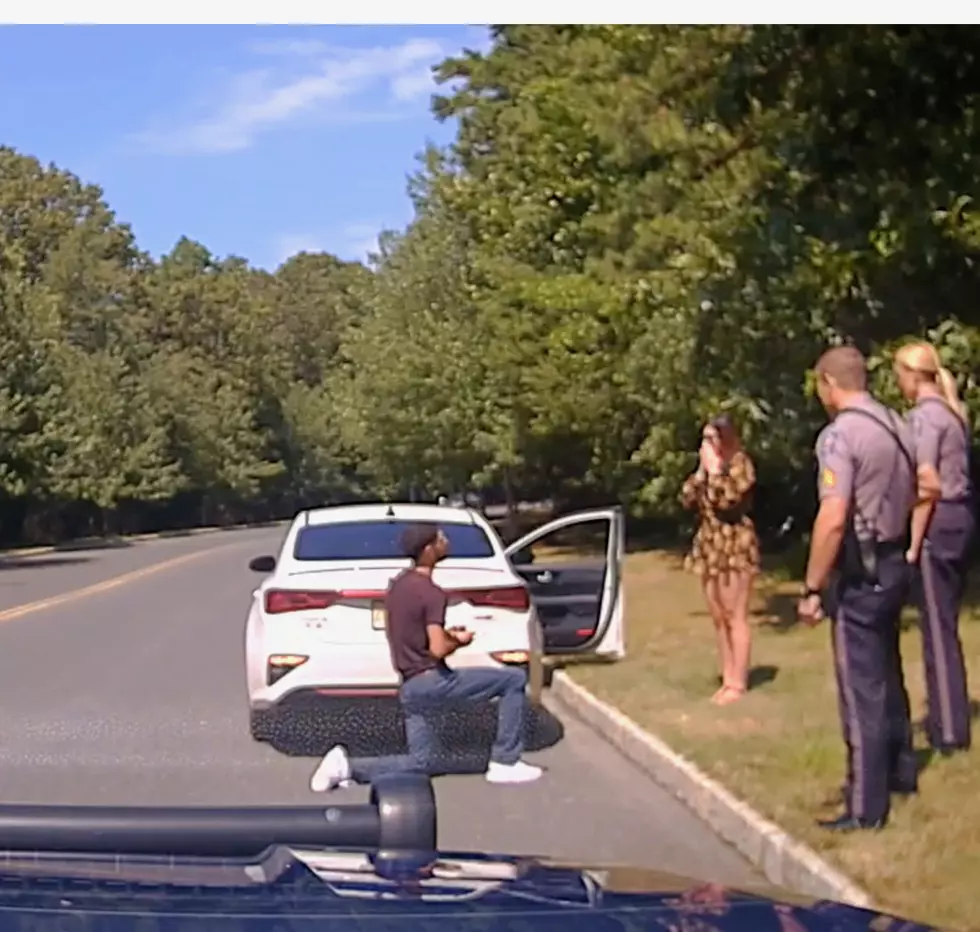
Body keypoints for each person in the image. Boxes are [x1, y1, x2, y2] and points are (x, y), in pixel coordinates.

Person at [309, 523, 543, 791]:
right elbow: (437, 650)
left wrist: (445, 635)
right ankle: (506, 761)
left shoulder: (399, 586)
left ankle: (348, 767)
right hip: (433, 681)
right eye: (441, 538)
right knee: (512, 679)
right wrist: (457, 639)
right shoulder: (431, 592)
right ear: (429, 549)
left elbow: (415, 632)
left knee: (424, 762)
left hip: (410, 684)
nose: (447, 541)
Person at [798, 345, 917, 832]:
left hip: (862, 569)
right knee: (889, 672)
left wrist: (812, 586)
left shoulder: (840, 436)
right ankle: (901, 770)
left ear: (829, 383)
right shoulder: (895, 423)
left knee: (860, 686)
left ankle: (866, 805)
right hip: (895, 558)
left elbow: (833, 516)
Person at [894, 340, 974, 756]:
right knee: (946, 624)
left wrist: (912, 543)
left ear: (911, 375)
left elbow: (928, 485)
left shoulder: (925, 419)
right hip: (962, 519)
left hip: (938, 524)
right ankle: (953, 716)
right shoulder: (954, 414)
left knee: (937, 631)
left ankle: (948, 729)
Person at [681, 414, 760, 705]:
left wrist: (715, 472)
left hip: (735, 545)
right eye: (704, 439)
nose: (707, 445)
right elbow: (687, 498)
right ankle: (727, 676)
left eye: (712, 439)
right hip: (710, 545)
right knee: (718, 617)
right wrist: (702, 473)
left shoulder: (740, 464)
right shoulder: (708, 469)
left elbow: (727, 501)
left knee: (734, 614)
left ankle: (738, 683)